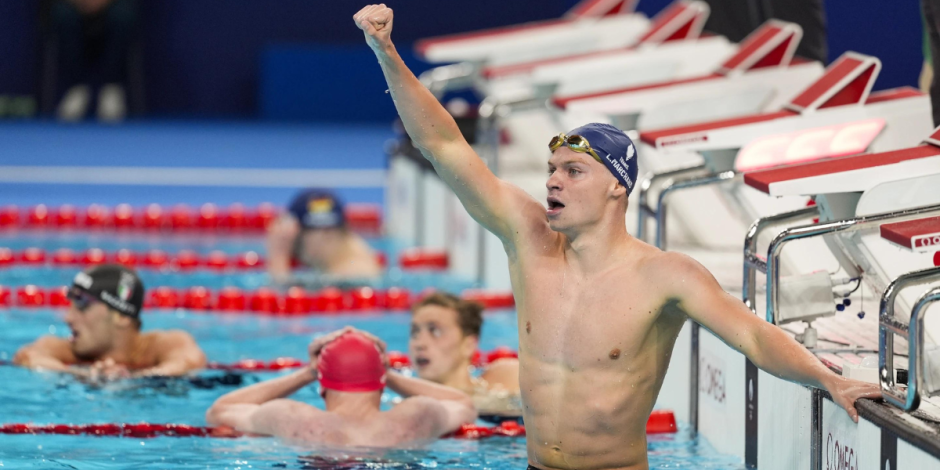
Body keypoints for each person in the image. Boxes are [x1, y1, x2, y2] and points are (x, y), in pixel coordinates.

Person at [353, 5, 881, 470]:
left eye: (574, 171)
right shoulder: (528, 236)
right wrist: (385, 51)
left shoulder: (663, 276)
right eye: (552, 169)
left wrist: (829, 380)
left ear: (616, 189)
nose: (553, 180)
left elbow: (753, 336)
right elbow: (443, 144)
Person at [206, 327, 476, 447]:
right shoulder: (419, 413)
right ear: (381, 384)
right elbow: (465, 404)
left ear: (322, 384)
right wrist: (390, 373)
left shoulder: (291, 417)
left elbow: (220, 411)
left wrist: (306, 373)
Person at [14, 264, 205, 379]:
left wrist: (128, 380)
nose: (68, 317)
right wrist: (84, 376)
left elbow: (188, 362)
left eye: (82, 305)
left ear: (121, 316)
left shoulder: (162, 346)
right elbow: (28, 356)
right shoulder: (67, 351)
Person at [409, 292, 521, 419]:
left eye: (435, 331)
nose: (419, 343)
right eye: (415, 332)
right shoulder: (407, 407)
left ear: (468, 345)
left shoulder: (506, 378)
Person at [267, 189, 383, 285]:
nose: (294, 248)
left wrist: (279, 258)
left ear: (324, 233)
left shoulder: (353, 275)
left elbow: (284, 302)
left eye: (298, 239)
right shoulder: (350, 248)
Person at [49, 0, 139, 122]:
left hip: (112, 5)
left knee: (123, 15)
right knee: (63, 14)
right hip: (73, 5)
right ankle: (77, 88)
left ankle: (110, 87)